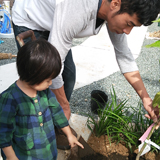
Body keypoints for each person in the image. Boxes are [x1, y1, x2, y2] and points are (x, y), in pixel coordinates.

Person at [12, 0, 160, 149]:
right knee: (40, 79)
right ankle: (37, 133)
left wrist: (146, 99)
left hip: (57, 21)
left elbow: (125, 57)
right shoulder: (78, 8)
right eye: (129, 24)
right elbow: (52, 72)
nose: (128, 31)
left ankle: (56, 125)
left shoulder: (113, 11)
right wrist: (63, 105)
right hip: (31, 19)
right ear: (115, 3)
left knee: (68, 77)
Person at [0, 39, 84, 160]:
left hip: (48, 152)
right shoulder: (10, 99)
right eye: (48, 80)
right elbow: (3, 133)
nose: (50, 83)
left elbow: (58, 113)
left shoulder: (45, 92)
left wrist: (69, 134)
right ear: (32, 74)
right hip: (24, 156)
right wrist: (11, 156)